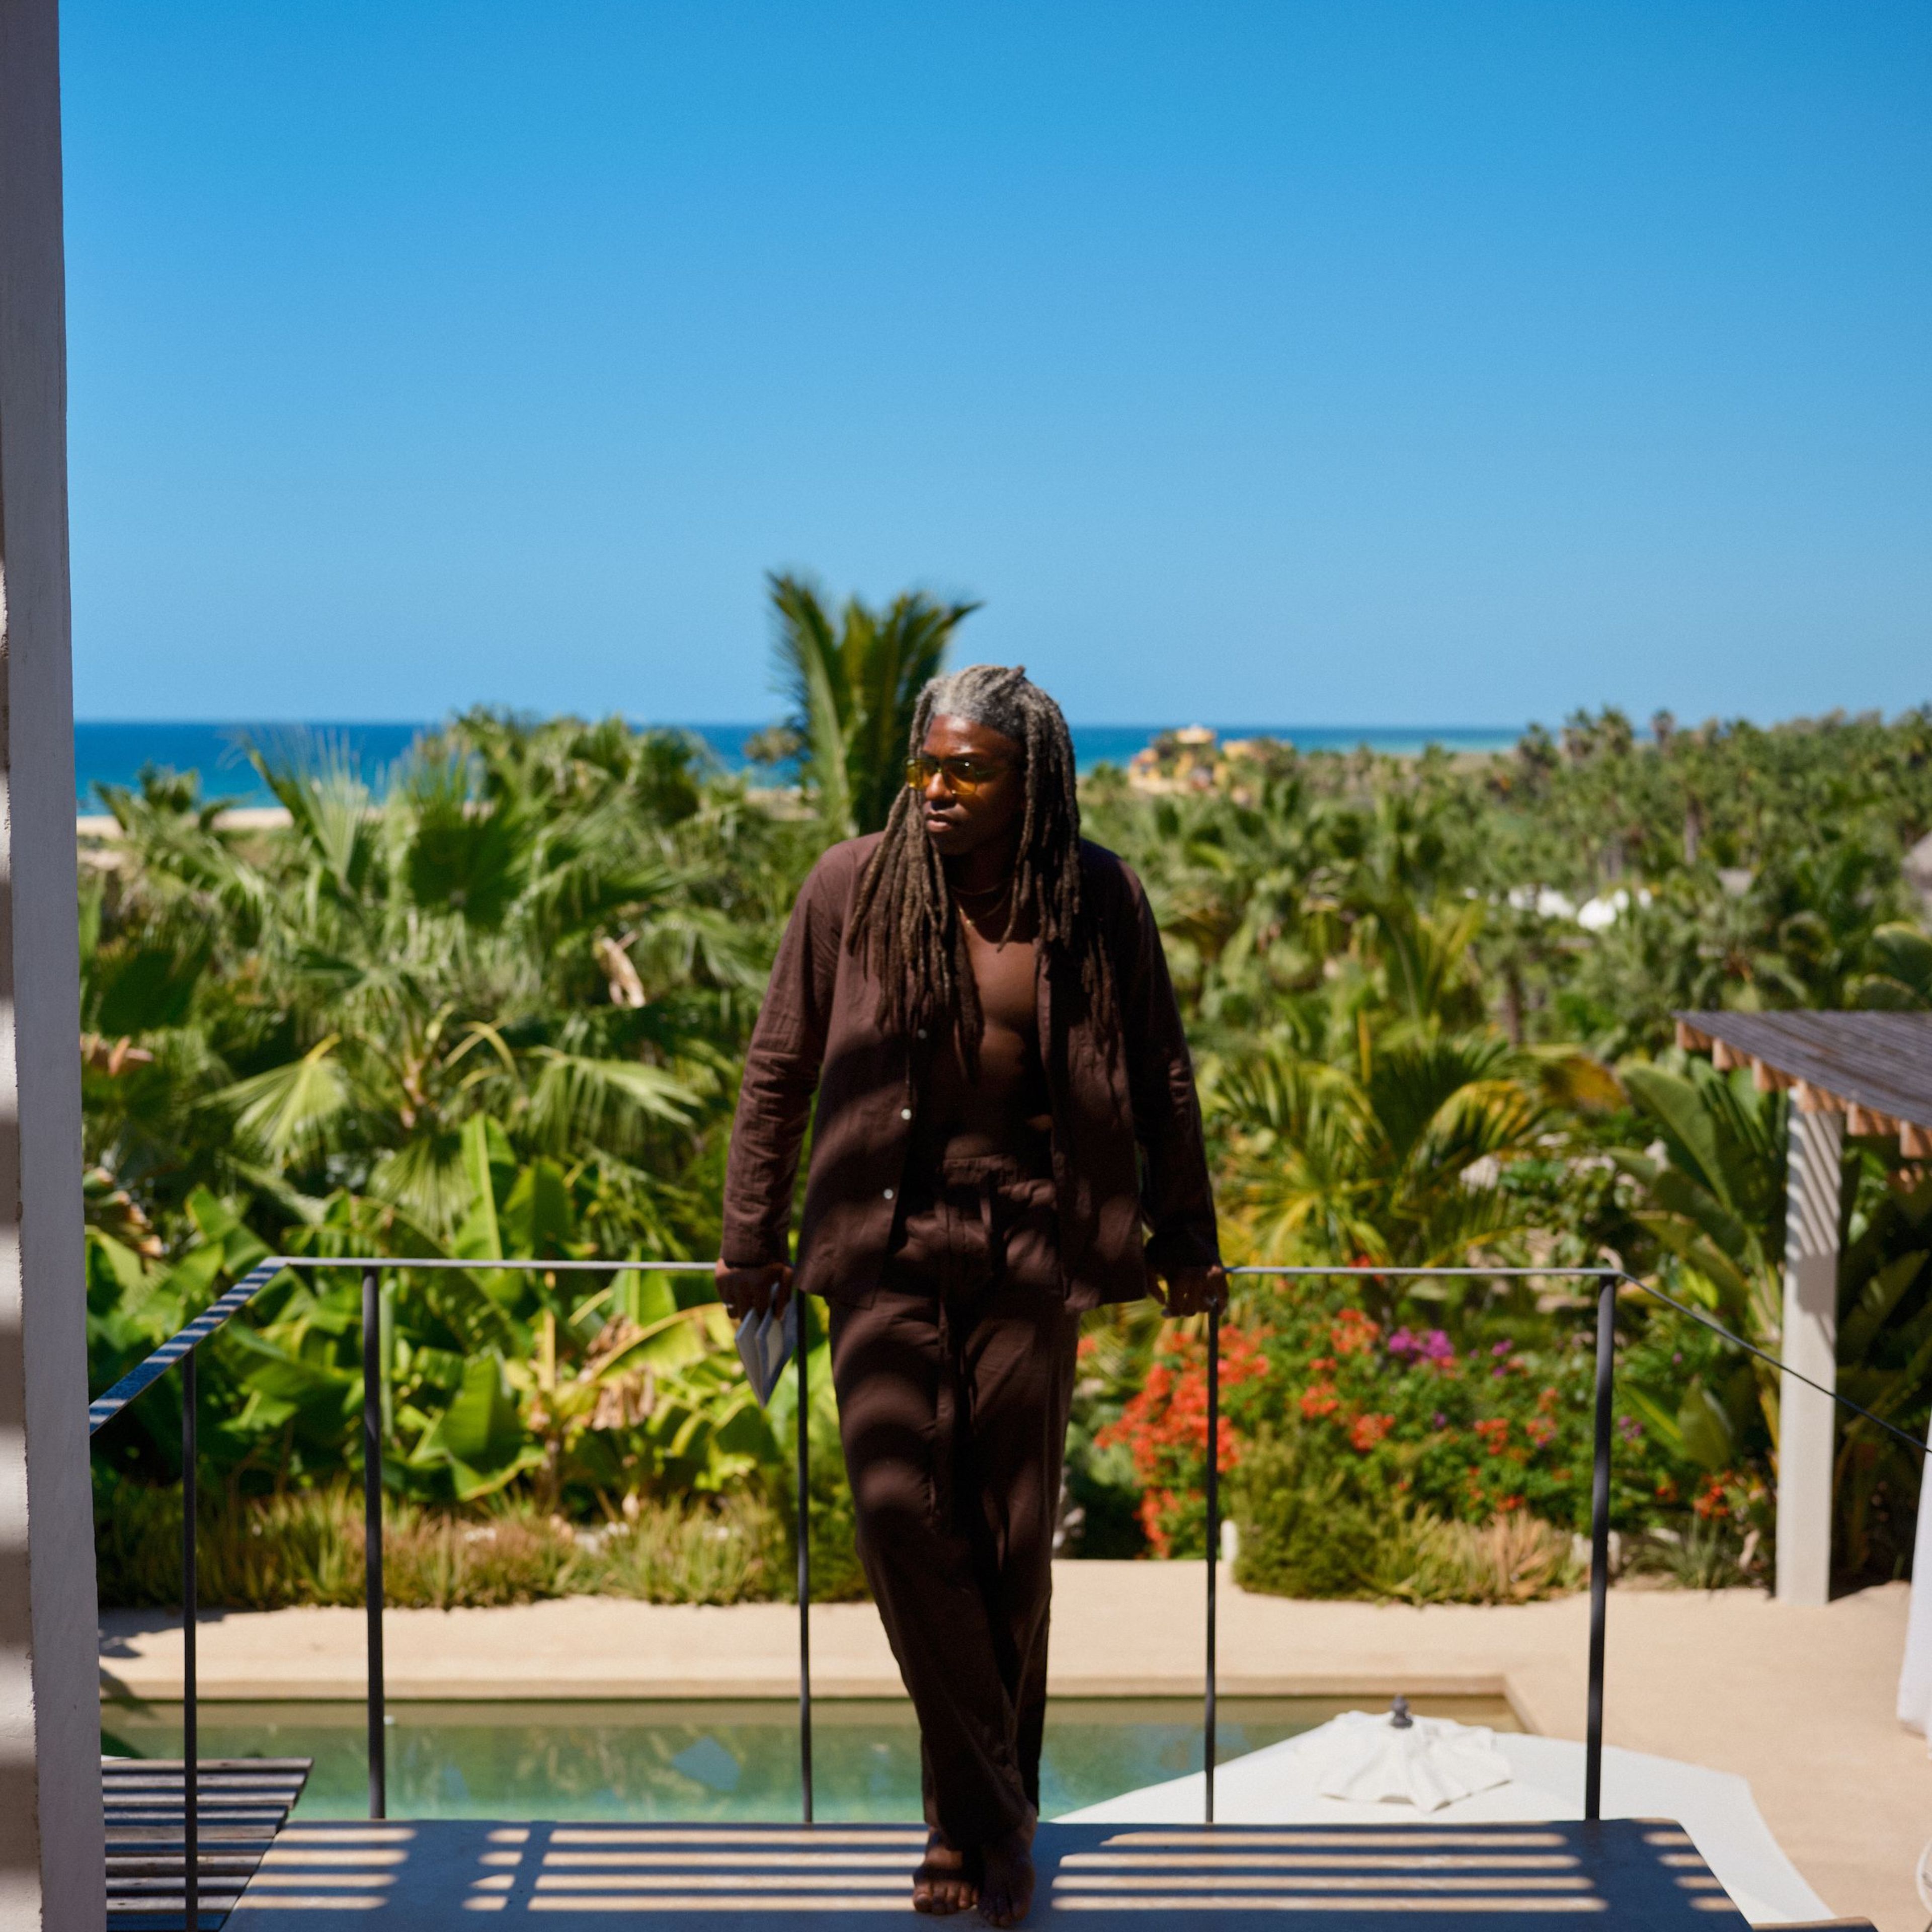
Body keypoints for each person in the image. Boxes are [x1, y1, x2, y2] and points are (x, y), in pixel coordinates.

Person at [717, 665, 1224, 1927]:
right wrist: (748, 1239)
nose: (937, 790)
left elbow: (1159, 1072)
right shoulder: (849, 883)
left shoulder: (1097, 895)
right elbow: (779, 1067)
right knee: (898, 1515)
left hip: (1033, 1241)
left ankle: (963, 1829)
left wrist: (1187, 1236)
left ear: (1030, 781)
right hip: (880, 1238)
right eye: (926, 767)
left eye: (968, 770)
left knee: (1008, 1537)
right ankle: (1002, 1814)